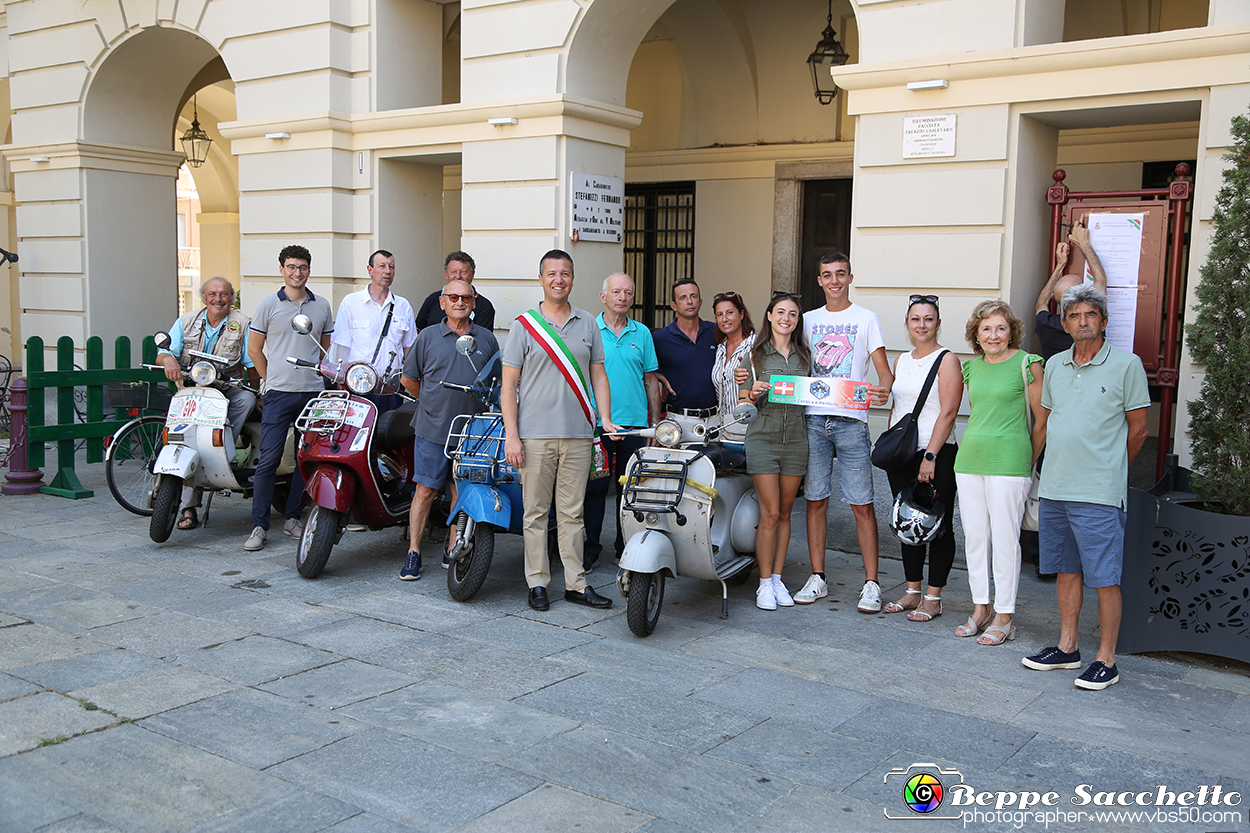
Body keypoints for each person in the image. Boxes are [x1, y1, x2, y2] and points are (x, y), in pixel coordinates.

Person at [1023, 284, 1149, 690]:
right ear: (1065, 323)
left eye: (1090, 314)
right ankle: (1067, 647)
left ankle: (1106, 660)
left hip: (1098, 491)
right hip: (1056, 486)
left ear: (1104, 321)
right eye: (1074, 315)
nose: (1082, 321)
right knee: (1066, 570)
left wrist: (1112, 469)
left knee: (1105, 577)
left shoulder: (1127, 365)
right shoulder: (1055, 365)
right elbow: (1043, 422)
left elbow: (1139, 431)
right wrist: (1029, 469)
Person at [502, 250, 621, 611]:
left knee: (573, 513)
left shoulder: (588, 324)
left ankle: (575, 584)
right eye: (552, 273)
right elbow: (509, 386)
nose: (559, 280)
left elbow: (598, 374)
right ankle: (537, 582)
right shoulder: (524, 326)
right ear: (541, 279)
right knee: (536, 514)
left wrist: (606, 418)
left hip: (579, 434)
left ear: (573, 278)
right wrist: (512, 435)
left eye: (565, 273)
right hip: (534, 435)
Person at [792, 253, 892, 612]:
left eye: (840, 274)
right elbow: (792, 361)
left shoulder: (866, 319)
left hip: (851, 421)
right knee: (816, 499)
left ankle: (871, 583)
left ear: (850, 277)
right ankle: (817, 576)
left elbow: (884, 371)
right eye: (826, 275)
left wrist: (883, 387)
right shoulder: (807, 320)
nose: (834, 281)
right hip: (814, 419)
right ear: (819, 280)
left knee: (861, 503)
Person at [952, 300, 1044, 645]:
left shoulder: (1028, 363)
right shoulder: (971, 368)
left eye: (1000, 328)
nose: (993, 335)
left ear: (1011, 332)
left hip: (1010, 462)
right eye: (986, 328)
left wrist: (1027, 461)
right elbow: (978, 413)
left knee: (1006, 540)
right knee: (975, 538)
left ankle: (1005, 615)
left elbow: (1042, 421)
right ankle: (980, 608)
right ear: (976, 334)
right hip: (971, 459)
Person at [397, 279, 499, 581]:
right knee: (426, 490)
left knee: (462, 491)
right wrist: (431, 403)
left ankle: (452, 544)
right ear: (442, 302)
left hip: (473, 434)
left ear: (474, 302)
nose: (459, 302)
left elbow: (494, 383)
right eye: (452, 297)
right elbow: (409, 380)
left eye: (465, 297)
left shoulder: (487, 339)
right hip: (433, 428)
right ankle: (413, 552)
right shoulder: (427, 337)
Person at [244, 245, 334, 552]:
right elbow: (254, 349)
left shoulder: (321, 305)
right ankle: (259, 525)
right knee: (268, 459)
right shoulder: (268, 305)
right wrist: (270, 380)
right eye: (292, 267)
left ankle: (294, 518)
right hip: (279, 394)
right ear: (282, 269)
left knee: (303, 459)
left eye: (303, 267)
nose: (298, 273)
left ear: (310, 270)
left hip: (312, 392)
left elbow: (325, 349)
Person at [880, 295, 962, 622]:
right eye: (916, 319)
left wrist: (930, 455)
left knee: (937, 525)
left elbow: (950, 411)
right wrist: (890, 449)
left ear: (938, 324)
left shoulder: (947, 360)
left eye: (929, 319)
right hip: (903, 455)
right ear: (907, 324)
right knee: (907, 522)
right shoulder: (901, 360)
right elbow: (898, 407)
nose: (922, 325)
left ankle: (934, 596)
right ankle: (913, 591)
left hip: (936, 454)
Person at [157, 276, 257, 531]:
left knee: (246, 399)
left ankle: (222, 443)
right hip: (192, 389)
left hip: (226, 390)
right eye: (212, 294)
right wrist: (168, 360)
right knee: (185, 439)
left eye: (224, 294)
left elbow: (250, 362)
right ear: (204, 298)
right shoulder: (187, 320)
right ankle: (187, 505)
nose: (218, 299)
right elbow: (165, 351)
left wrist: (260, 390)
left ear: (231, 299)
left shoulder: (242, 323)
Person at [583, 273, 660, 572]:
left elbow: (651, 380)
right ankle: (590, 548)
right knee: (595, 489)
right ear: (603, 297)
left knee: (630, 489)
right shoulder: (589, 330)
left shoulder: (642, 333)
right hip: (597, 426)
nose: (623, 297)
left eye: (628, 292)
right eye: (616, 292)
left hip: (635, 426)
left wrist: (654, 423)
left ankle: (624, 546)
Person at [739, 293, 809, 610]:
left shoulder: (805, 356)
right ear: (769, 316)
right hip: (762, 439)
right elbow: (741, 404)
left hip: (796, 439)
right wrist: (751, 394)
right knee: (769, 513)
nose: (786, 318)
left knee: (784, 513)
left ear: (797, 320)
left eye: (792, 314)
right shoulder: (755, 355)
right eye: (780, 312)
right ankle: (764, 583)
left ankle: (778, 579)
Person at [329, 249, 416, 411]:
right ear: (370, 270)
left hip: (391, 387)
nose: (387, 271)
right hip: (358, 384)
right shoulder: (351, 302)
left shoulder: (402, 306)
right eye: (382, 266)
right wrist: (341, 381)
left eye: (391, 267)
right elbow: (341, 346)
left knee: (388, 433)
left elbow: (409, 349)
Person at [1034, 216, 1107, 361]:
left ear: (1054, 298)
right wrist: (1084, 244)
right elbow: (1100, 280)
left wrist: (1060, 264)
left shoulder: (1046, 324)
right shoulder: (1091, 321)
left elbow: (1041, 302)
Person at [652, 279, 718, 424]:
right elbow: (641, 369)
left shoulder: (715, 332)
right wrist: (657, 376)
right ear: (673, 305)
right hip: (679, 419)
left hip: (714, 419)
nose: (689, 301)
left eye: (693, 296)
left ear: (700, 302)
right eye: (683, 297)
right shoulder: (660, 338)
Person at [711, 291, 756, 447]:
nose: (725, 319)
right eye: (719, 314)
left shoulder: (756, 347)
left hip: (750, 430)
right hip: (723, 429)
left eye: (730, 313)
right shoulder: (720, 348)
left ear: (741, 314)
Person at [415, 251, 496, 332]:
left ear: (472, 274)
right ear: (446, 274)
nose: (458, 276)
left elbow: (483, 340)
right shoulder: (432, 299)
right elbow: (418, 332)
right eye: (453, 272)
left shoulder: (484, 306)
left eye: (463, 272)